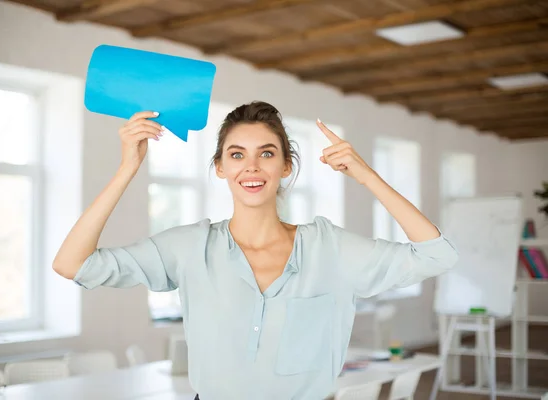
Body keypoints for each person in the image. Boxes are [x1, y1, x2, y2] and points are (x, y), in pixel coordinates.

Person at [53, 101, 459, 400]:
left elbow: (436, 254)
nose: (252, 167)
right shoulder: (190, 246)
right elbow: (72, 264)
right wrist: (128, 168)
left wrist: (367, 176)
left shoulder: (329, 247)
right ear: (220, 168)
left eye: (267, 153)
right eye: (236, 155)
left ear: (285, 166)